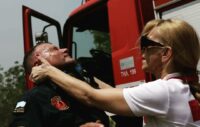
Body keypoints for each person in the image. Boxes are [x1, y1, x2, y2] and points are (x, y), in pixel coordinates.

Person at [30, 19, 200, 126]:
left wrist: (49, 71)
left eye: (146, 47)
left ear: (165, 54)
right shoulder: (181, 87)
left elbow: (91, 96)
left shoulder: (164, 91)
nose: (141, 53)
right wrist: (84, 75)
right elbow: (116, 93)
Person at [9, 42, 111, 127]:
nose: (65, 49)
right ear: (38, 63)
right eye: (54, 49)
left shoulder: (80, 87)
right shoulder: (35, 97)